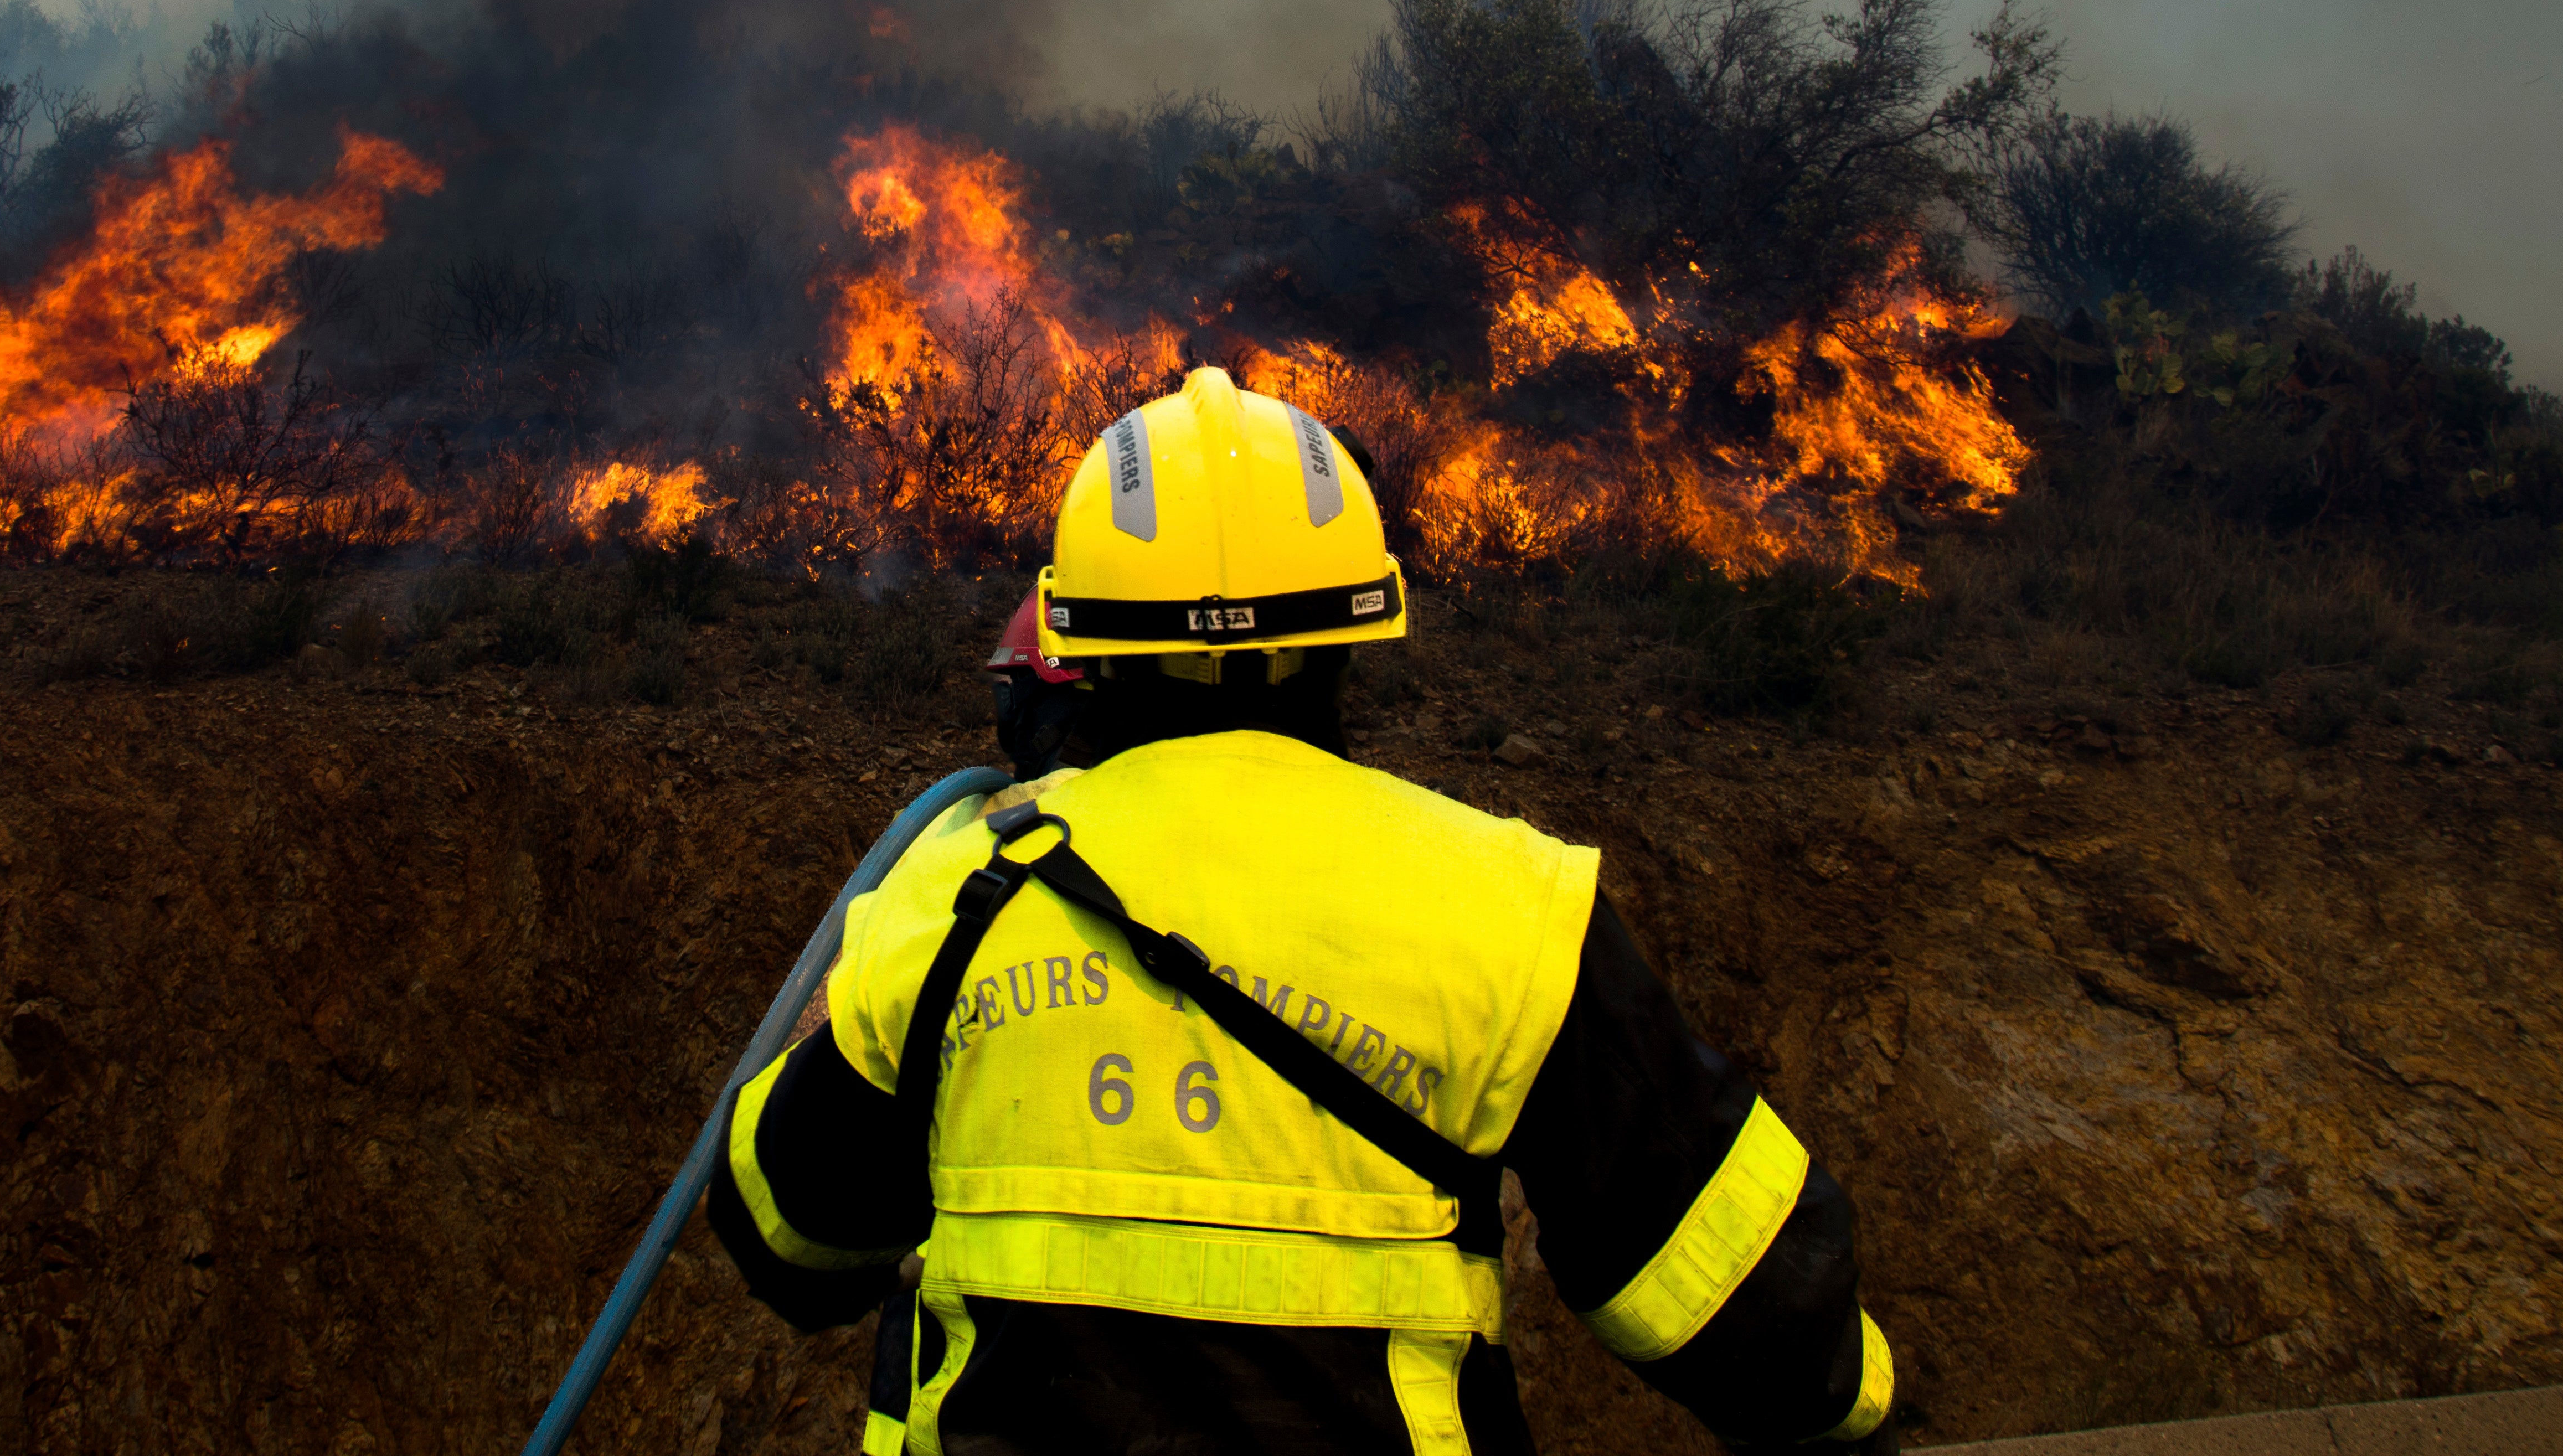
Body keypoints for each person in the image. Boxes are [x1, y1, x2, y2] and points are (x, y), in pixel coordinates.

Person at [710, 366, 1895, 1455]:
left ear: (1076, 646)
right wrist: (1860, 1418)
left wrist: (849, 1010)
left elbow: (787, 1238)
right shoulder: (1507, 907)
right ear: (1356, 632)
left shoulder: (961, 890)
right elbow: (1745, 1306)